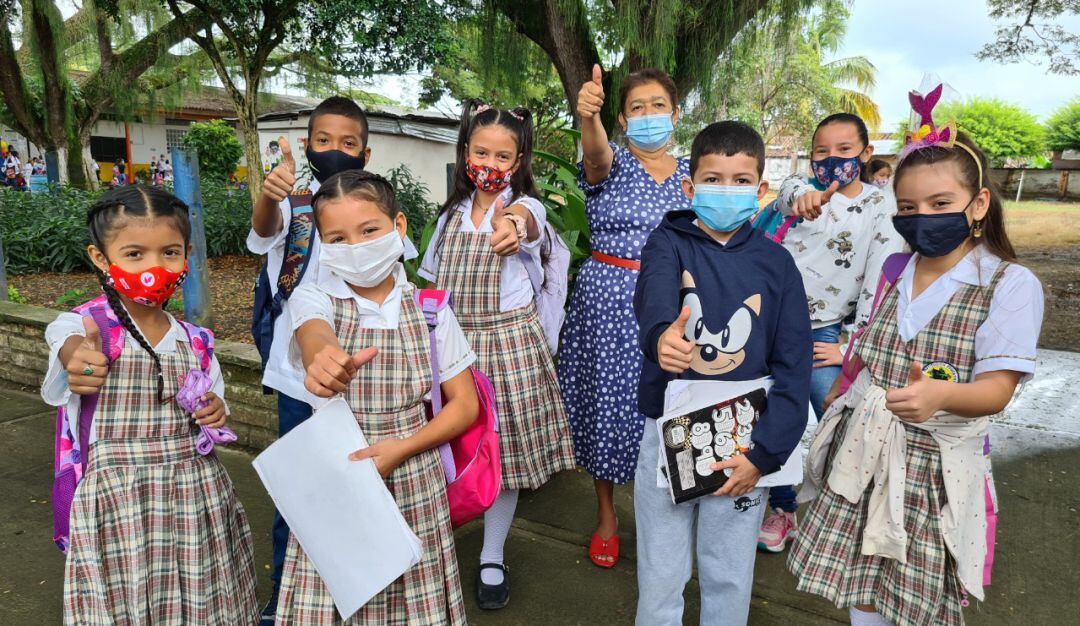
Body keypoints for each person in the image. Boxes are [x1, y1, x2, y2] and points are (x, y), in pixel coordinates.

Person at [787, 114, 1044, 626]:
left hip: (933, 473)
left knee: (915, 598)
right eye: (908, 207)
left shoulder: (1009, 285)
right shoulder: (894, 270)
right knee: (862, 584)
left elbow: (997, 389)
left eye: (940, 204)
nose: (921, 216)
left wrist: (941, 396)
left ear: (979, 205)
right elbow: (865, 356)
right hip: (862, 455)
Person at [41, 184, 258, 624]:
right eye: (135, 253)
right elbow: (66, 348)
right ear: (101, 257)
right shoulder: (84, 325)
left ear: (187, 255)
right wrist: (78, 362)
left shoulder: (196, 341)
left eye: (170, 252)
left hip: (193, 494)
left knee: (198, 596)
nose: (154, 267)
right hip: (117, 501)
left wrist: (216, 409)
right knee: (128, 599)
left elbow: (214, 403)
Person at [276, 170, 478, 624]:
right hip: (339, 470)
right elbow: (315, 337)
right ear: (323, 246)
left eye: (369, 230)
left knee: (413, 591)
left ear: (399, 226)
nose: (356, 246)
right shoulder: (315, 298)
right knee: (337, 587)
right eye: (338, 238)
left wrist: (401, 449)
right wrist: (324, 360)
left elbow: (466, 405)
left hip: (414, 471)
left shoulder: (429, 309)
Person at [633, 120, 811, 625]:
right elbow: (655, 296)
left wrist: (766, 455)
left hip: (744, 441)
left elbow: (793, 367)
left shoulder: (777, 264)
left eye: (740, 181)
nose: (726, 190)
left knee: (728, 572)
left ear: (760, 190)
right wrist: (661, 337)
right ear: (690, 187)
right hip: (669, 429)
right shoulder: (668, 241)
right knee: (661, 569)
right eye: (714, 178)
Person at [419, 100, 575, 610]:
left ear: (519, 160)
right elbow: (429, 287)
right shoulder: (450, 219)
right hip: (454, 348)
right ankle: (436, 541)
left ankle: (491, 553)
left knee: (501, 456)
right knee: (453, 451)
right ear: (465, 152)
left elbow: (528, 220)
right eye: (480, 151)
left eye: (502, 156)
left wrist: (516, 222)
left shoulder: (526, 210)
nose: (490, 163)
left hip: (509, 346)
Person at [557, 65, 691, 569]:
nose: (649, 115)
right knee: (607, 408)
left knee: (667, 411)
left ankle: (661, 517)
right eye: (637, 108)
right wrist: (586, 117)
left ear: (675, 113)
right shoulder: (610, 164)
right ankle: (608, 515)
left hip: (672, 310)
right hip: (608, 303)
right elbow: (593, 154)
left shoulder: (691, 175)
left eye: (658, 105)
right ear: (621, 118)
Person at [247, 95, 372, 624]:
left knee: (356, 483)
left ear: (365, 152)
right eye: (324, 141)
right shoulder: (293, 206)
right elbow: (261, 236)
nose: (335, 151)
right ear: (308, 144)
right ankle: (286, 596)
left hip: (364, 373)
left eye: (348, 143)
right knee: (298, 489)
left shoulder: (374, 206)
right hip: (299, 376)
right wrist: (270, 194)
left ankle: (354, 585)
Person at [757, 113, 904, 552]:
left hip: (826, 336)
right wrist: (804, 196)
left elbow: (879, 284)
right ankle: (782, 510)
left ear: (865, 154)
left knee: (841, 423)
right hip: (769, 328)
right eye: (822, 150)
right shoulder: (798, 189)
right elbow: (787, 194)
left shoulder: (881, 208)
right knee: (770, 421)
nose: (831, 159)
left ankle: (839, 514)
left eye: (844, 150)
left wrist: (849, 348)